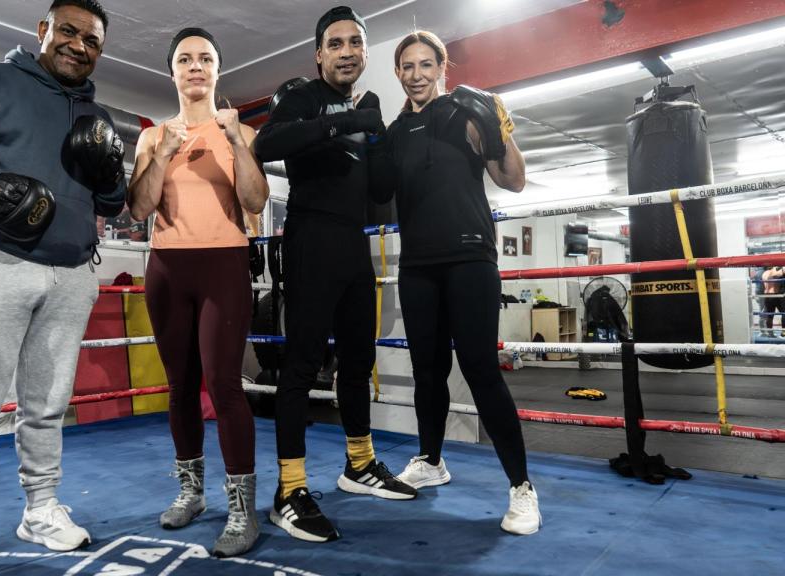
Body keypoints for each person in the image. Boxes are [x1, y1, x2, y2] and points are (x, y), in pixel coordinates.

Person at [0, 1, 127, 574]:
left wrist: (111, 174)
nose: (79, 46)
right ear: (43, 31)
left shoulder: (95, 113)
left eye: (92, 41)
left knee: (48, 406)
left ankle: (40, 510)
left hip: (73, 272)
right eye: (68, 32)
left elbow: (113, 203)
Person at [254, 5, 415, 544]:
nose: (347, 51)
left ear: (364, 53)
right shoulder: (301, 98)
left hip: (353, 245)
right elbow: (266, 145)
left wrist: (381, 136)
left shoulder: (367, 106)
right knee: (301, 364)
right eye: (336, 44)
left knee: (359, 357)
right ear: (320, 53)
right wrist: (346, 121)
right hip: (310, 240)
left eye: (355, 43)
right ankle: (289, 490)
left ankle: (359, 463)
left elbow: (381, 191)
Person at [379, 30, 541, 535]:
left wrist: (498, 126)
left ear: (441, 67)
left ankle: (522, 488)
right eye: (408, 66)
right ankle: (431, 460)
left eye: (427, 64)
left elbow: (513, 178)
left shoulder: (466, 115)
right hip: (418, 265)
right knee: (427, 368)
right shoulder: (395, 130)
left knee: (479, 369)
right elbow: (380, 194)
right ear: (398, 73)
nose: (417, 74)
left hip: (470, 258)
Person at [127, 27, 269, 557]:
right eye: (185, 59)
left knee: (225, 386)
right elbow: (139, 210)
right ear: (172, 71)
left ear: (216, 71)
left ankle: (241, 508)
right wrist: (162, 154)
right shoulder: (150, 137)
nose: (195, 67)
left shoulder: (241, 133)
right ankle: (192, 492)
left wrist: (234, 141)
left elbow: (254, 202)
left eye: (204, 59)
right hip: (167, 266)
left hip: (222, 264)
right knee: (180, 386)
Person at [762, 266, 784, 337]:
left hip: (767, 295)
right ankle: (783, 332)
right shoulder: (774, 272)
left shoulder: (764, 273)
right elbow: (777, 274)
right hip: (775, 295)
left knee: (770, 316)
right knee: (783, 313)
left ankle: (770, 333)